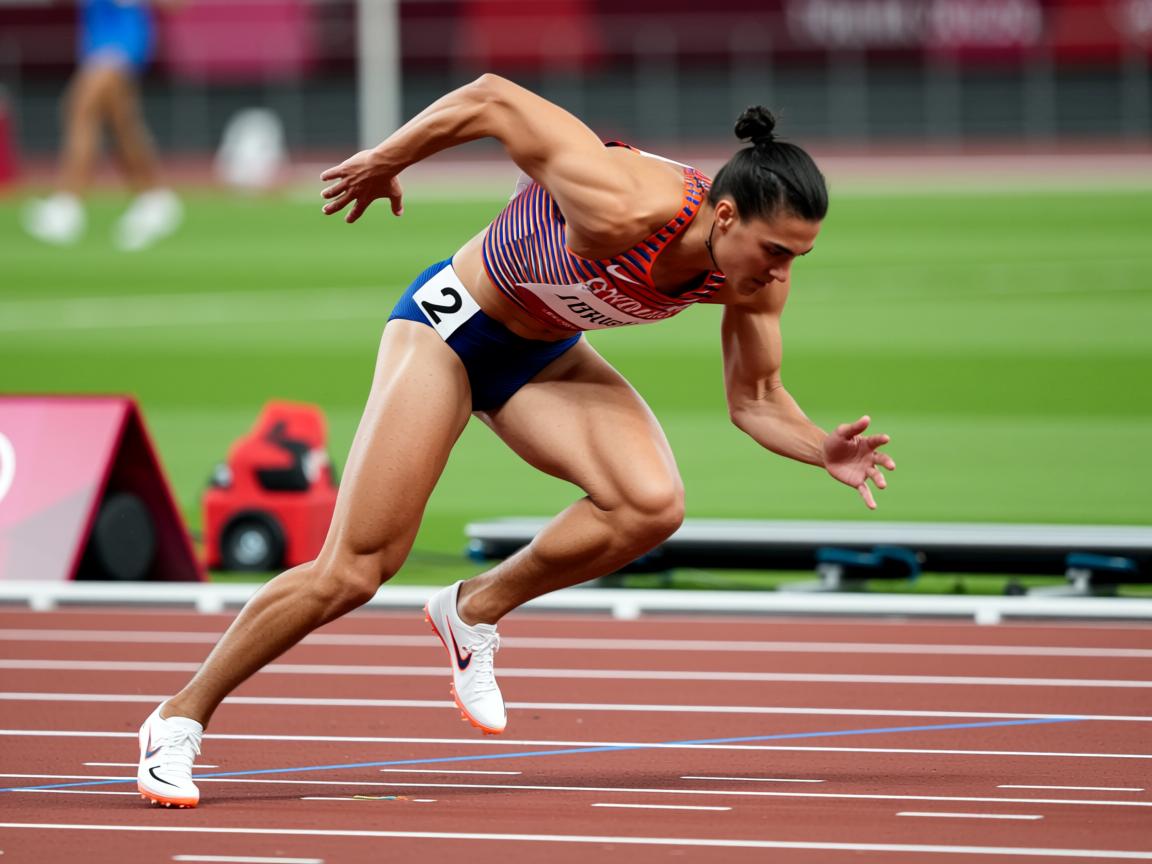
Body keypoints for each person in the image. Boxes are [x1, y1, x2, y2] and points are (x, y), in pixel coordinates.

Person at [135, 74, 895, 808]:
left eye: (798, 256)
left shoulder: (750, 279)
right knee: (356, 570)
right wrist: (387, 159)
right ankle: (177, 718)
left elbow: (755, 397)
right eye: (776, 251)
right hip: (450, 330)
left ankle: (471, 611)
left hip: (544, 355)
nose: (782, 273)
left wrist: (817, 447)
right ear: (724, 217)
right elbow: (493, 97)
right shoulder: (624, 199)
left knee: (650, 505)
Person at [22, 0, 181, 251]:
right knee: (122, 125)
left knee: (81, 107)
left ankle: (68, 203)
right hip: (96, 41)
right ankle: (153, 196)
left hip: (123, 41)